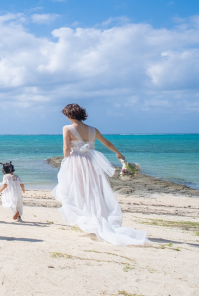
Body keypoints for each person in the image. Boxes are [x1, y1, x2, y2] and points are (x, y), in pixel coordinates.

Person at [52, 103, 149, 246]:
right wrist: (119, 153)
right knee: (94, 191)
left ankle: (88, 219)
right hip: (92, 162)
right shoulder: (93, 129)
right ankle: (95, 218)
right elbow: (107, 143)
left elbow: (66, 146)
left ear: (69, 115)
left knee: (77, 190)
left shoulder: (67, 128)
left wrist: (65, 162)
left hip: (76, 161)